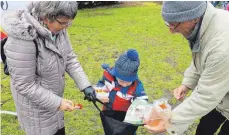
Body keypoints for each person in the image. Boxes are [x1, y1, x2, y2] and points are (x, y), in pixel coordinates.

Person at [2, 1, 96, 135]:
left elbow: (69, 58)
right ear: (46, 17)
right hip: (35, 110)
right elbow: (24, 85)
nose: (66, 27)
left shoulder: (58, 29)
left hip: (53, 103)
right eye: (63, 23)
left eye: (69, 23)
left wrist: (85, 85)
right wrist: (58, 103)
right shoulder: (23, 39)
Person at [144, 1, 229, 135]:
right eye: (168, 23)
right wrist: (187, 83)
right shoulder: (205, 25)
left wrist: (170, 122)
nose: (171, 31)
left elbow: (206, 96)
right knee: (205, 129)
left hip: (220, 95)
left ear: (194, 17)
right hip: (221, 96)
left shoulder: (221, 47)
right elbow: (202, 59)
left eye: (174, 24)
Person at [96, 49, 148, 125]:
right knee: (110, 128)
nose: (124, 84)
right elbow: (101, 84)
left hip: (125, 117)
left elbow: (142, 99)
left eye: (128, 82)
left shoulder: (137, 86)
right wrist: (100, 92)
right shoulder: (108, 76)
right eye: (121, 81)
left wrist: (139, 110)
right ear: (115, 74)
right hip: (109, 112)